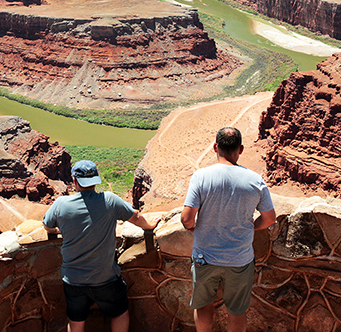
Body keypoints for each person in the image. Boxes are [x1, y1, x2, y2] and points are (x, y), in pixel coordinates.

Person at [43, 159, 158, 332]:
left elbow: (47, 225)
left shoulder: (61, 204)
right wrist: (150, 226)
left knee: (75, 323)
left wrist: (63, 229)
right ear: (96, 180)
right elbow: (135, 217)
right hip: (105, 278)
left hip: (73, 280)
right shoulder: (109, 200)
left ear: (75, 181)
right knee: (119, 314)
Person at [181, 127, 277, 332]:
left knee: (203, 305)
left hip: (204, 257)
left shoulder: (201, 176)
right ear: (240, 149)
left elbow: (187, 218)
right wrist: (250, 227)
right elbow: (269, 219)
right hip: (240, 259)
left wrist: (193, 229)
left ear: (216, 147)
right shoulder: (255, 180)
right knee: (237, 310)